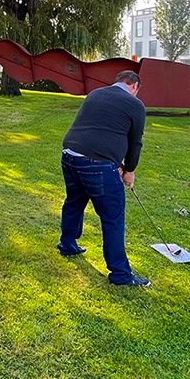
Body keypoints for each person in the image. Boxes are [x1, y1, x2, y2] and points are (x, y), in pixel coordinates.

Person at [58, 70, 150, 287]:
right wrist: (129, 170)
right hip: (97, 165)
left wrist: (116, 163)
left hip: (70, 155)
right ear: (135, 86)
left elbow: (99, 130)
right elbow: (135, 142)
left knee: (74, 202)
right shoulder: (135, 104)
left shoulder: (95, 94)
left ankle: (67, 245)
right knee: (112, 216)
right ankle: (120, 274)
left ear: (117, 81)